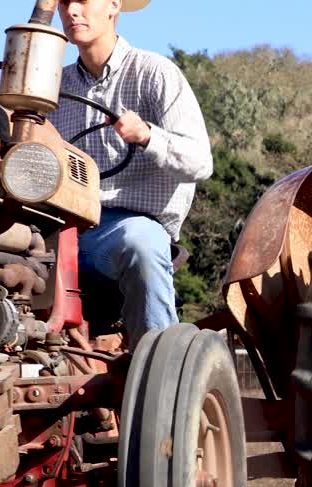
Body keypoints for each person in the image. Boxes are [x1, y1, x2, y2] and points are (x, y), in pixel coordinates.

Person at [50, 0, 213, 344]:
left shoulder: (155, 72)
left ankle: (161, 369)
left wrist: (148, 135)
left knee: (140, 244)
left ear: (113, 6)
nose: (72, 11)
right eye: (64, 3)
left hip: (128, 223)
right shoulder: (53, 86)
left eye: (82, 0)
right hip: (59, 225)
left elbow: (200, 161)